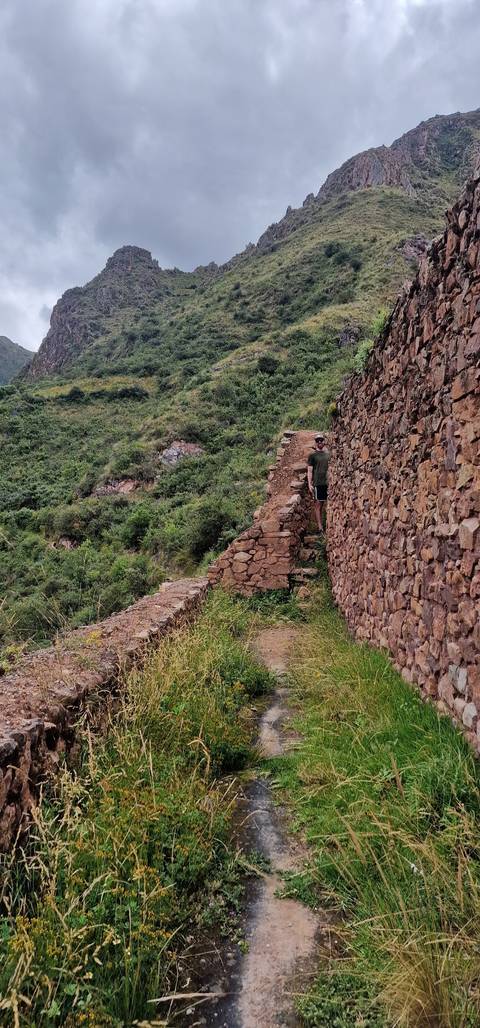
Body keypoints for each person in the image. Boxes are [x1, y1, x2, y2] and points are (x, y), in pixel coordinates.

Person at [307, 434, 329, 532]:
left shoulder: (328, 454)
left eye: (321, 440)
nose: (319, 442)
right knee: (318, 504)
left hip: (328, 483)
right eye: (317, 440)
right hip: (318, 483)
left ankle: (326, 524)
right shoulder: (312, 455)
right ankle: (320, 527)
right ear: (315, 442)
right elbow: (310, 471)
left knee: (324, 504)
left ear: (324, 441)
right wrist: (309, 484)